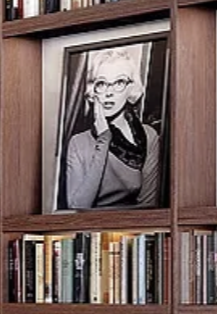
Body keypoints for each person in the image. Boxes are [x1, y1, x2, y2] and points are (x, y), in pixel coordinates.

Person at [60, 43, 163, 210]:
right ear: (93, 91)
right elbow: (78, 206)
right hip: (87, 230)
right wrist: (104, 139)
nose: (109, 92)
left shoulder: (148, 136)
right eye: (102, 83)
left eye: (119, 82)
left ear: (131, 88)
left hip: (133, 230)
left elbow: (148, 206)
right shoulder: (78, 143)